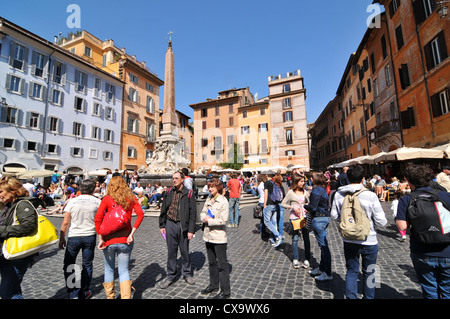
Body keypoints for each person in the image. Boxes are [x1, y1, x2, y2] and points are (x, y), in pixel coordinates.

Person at [330, 165, 387, 298]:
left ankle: (351, 297)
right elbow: (381, 221)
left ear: (347, 178)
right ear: (362, 179)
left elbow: (334, 216)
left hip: (349, 239)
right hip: (369, 239)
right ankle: (369, 297)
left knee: (351, 271)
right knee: (370, 271)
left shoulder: (338, 195)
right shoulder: (370, 195)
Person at [395, 164, 450, 299]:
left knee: (430, 290)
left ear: (409, 181)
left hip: (422, 250)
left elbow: (402, 227)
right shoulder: (445, 195)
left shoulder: (407, 199)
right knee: (448, 290)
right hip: (448, 249)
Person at [95, 176, 145, 299]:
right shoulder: (131, 198)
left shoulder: (106, 199)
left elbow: (97, 219)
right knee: (124, 271)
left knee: (109, 270)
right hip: (125, 239)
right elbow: (140, 214)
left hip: (108, 241)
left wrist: (100, 239)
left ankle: (110, 297)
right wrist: (132, 233)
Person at [59, 179, 100, 299]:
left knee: (70, 264)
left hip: (74, 236)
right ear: (93, 189)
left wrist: (62, 238)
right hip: (90, 235)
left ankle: (73, 292)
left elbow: (66, 222)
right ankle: (84, 291)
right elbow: (100, 221)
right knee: (87, 264)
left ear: (80, 188)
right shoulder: (98, 202)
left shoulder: (72, 201)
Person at [0, 176, 38, 299]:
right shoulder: (9, 205)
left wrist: (2, 230)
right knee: (13, 289)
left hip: (19, 254)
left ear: (12, 190)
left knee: (7, 291)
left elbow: (28, 226)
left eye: (1, 191)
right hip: (9, 252)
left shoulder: (22, 205)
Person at [159, 171, 197, 289]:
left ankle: (186, 273)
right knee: (171, 251)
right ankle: (170, 275)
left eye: (176, 178)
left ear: (182, 179)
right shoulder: (169, 192)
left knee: (184, 251)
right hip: (170, 224)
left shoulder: (189, 193)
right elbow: (163, 209)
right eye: (173, 178)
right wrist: (162, 225)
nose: (174, 180)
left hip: (183, 226)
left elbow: (192, 214)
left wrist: (191, 230)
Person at [200, 178, 231, 299]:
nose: (210, 189)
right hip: (208, 236)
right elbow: (203, 212)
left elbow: (223, 220)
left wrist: (210, 220)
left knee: (222, 265)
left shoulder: (223, 201)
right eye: (209, 187)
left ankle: (225, 291)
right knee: (211, 262)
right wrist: (204, 217)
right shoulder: (209, 199)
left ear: (218, 187)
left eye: (212, 186)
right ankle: (213, 285)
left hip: (218, 237)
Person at [305, 171, 332, 281]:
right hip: (324, 218)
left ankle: (328, 272)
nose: (310, 179)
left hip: (319, 219)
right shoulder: (322, 189)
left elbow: (313, 208)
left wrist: (305, 206)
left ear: (315, 178)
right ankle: (322, 268)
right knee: (323, 245)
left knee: (324, 247)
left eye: (311, 177)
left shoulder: (316, 191)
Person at [281, 173, 311, 269]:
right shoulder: (290, 193)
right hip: (294, 218)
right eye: (301, 181)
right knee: (295, 238)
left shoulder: (305, 192)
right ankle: (295, 258)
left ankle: (307, 259)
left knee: (306, 238)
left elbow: (308, 202)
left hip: (304, 217)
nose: (303, 183)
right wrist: (292, 207)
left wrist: (306, 207)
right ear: (296, 182)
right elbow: (282, 204)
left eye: (304, 181)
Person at [263, 172, 285, 247]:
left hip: (269, 204)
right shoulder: (274, 183)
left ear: (267, 175)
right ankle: (276, 238)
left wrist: (265, 205)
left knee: (267, 221)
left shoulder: (266, 183)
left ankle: (278, 236)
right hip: (275, 204)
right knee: (274, 221)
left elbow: (265, 194)